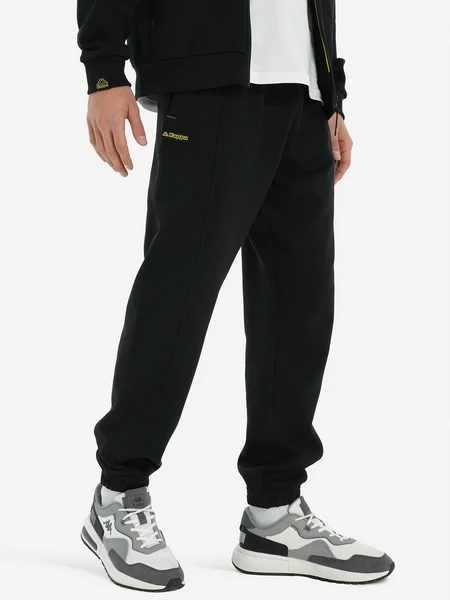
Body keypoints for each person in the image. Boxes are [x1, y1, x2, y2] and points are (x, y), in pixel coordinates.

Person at [76, 0, 395, 591]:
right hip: (210, 80)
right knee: (179, 293)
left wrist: (332, 93)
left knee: (299, 307)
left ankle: (274, 514)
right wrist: (104, 71)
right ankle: (119, 493)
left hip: (304, 96)